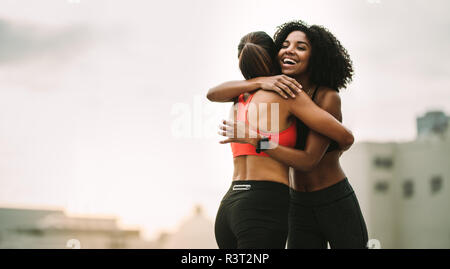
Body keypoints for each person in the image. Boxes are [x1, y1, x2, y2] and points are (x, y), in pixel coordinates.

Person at [210, 20, 368, 249]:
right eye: (284, 45)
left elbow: (313, 158)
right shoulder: (274, 91)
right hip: (296, 203)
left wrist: (257, 140)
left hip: (332, 199)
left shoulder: (325, 97)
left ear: (316, 57)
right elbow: (213, 93)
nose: (290, 50)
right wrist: (260, 80)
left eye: (301, 47)